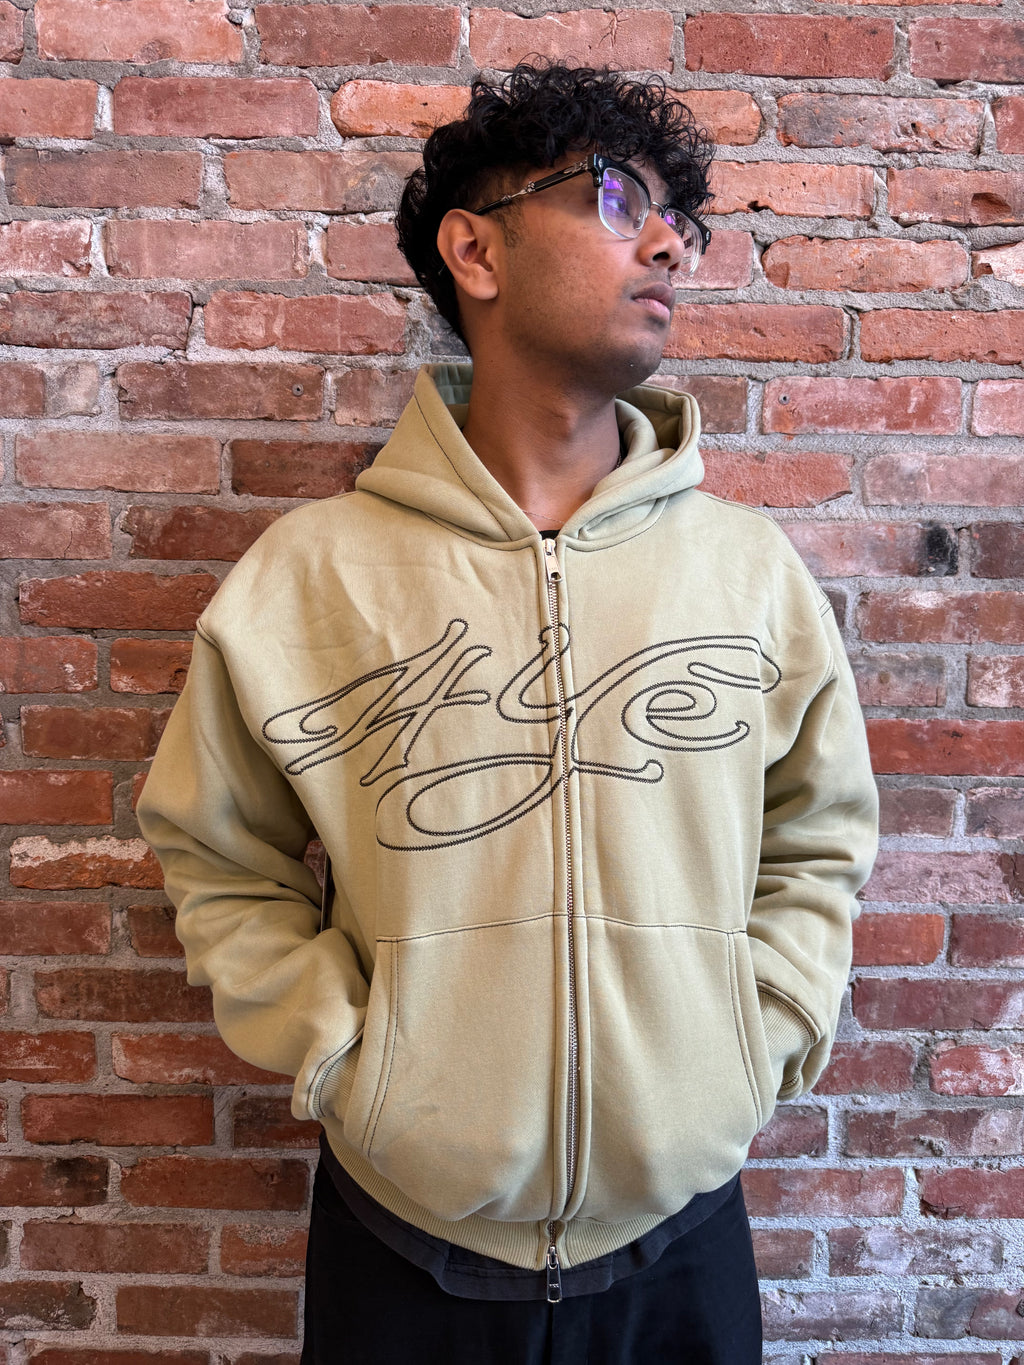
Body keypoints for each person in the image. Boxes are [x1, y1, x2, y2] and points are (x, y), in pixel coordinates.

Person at [138, 61, 878, 1365]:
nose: (667, 242)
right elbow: (220, 855)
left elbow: (819, 836)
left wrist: (755, 1035)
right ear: (474, 250)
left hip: (682, 1245)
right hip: (402, 1247)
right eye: (615, 199)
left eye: (678, 220)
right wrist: (346, 1055)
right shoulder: (311, 579)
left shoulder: (746, 573)